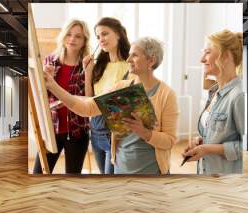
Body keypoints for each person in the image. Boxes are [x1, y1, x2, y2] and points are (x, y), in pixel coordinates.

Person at [44, 37, 179, 175]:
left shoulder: (167, 95)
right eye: (129, 55)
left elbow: (169, 141)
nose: (128, 60)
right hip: (121, 170)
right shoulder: (121, 87)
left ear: (151, 61)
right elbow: (86, 108)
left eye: (135, 55)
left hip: (152, 173)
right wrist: (52, 85)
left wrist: (145, 132)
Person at [182, 29, 244, 175]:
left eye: (207, 52)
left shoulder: (239, 96)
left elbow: (247, 149)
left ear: (226, 56)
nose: (201, 59)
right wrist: (202, 141)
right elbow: (220, 136)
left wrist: (207, 149)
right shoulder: (213, 93)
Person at [33, 19, 91, 174]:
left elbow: (90, 100)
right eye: (69, 34)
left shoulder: (87, 65)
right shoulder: (49, 62)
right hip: (51, 129)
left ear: (84, 40)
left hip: (78, 131)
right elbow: (41, 98)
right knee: (39, 173)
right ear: (63, 36)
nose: (72, 39)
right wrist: (45, 82)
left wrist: (89, 72)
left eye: (78, 36)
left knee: (72, 177)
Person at [82, 17, 133, 174]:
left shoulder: (131, 66)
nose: (101, 39)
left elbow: (128, 106)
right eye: (98, 36)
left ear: (118, 34)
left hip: (115, 134)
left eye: (105, 34)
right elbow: (89, 99)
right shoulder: (99, 66)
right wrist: (88, 72)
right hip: (96, 131)